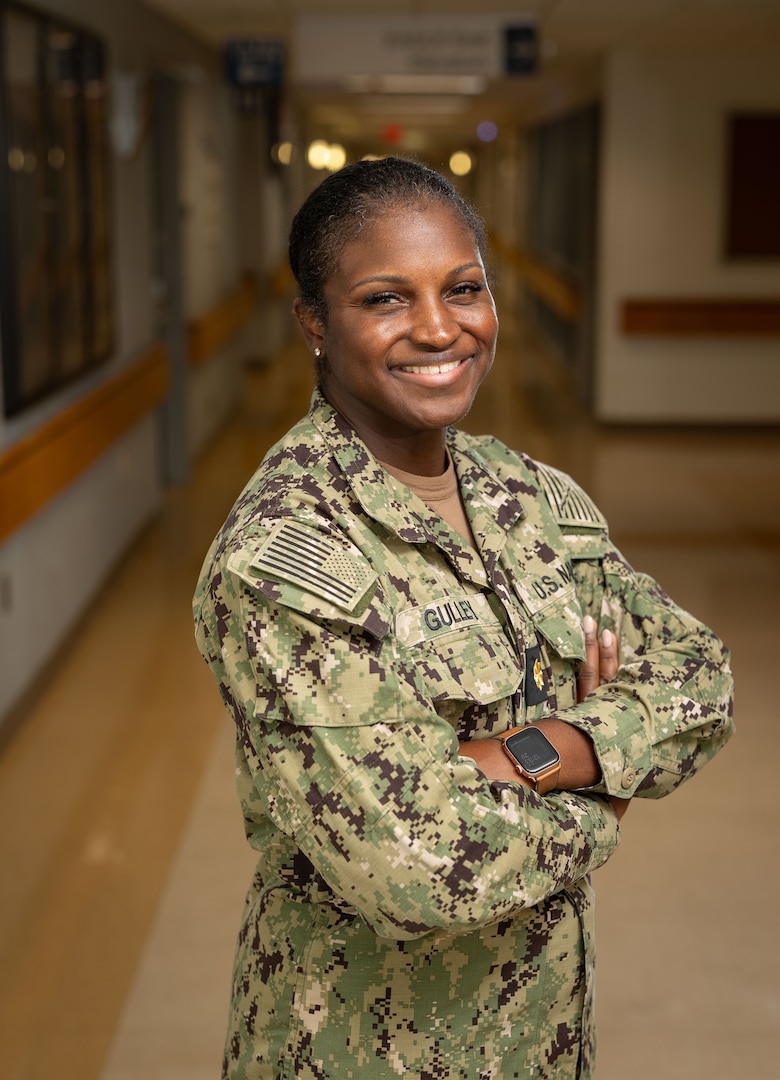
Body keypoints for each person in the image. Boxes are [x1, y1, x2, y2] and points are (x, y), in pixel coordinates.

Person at [193, 157, 734, 1080]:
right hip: (361, 1048)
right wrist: (605, 786)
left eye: (464, 288)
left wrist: (539, 751)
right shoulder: (285, 561)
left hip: (544, 1032)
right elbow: (416, 867)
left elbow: (701, 678)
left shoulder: (528, 495)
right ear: (315, 325)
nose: (440, 328)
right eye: (385, 299)